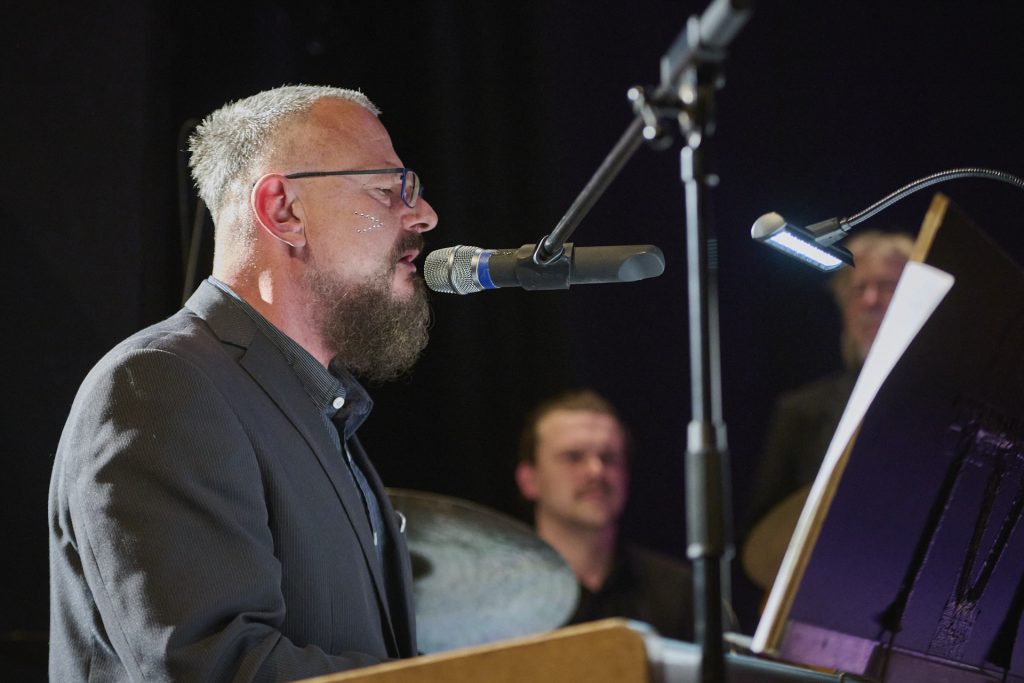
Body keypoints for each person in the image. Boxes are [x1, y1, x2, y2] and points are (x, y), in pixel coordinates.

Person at [49, 85, 438, 681]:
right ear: (284, 210)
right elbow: (219, 667)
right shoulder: (159, 385)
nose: (423, 215)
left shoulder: (317, 408)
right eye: (389, 190)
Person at [746, 231, 914, 567]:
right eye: (857, 290)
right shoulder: (800, 411)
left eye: (887, 286)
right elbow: (764, 536)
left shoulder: (951, 400)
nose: (870, 301)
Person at [514, 389, 698, 641]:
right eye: (574, 457)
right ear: (529, 480)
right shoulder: (497, 597)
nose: (596, 471)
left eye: (609, 458)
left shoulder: (680, 592)